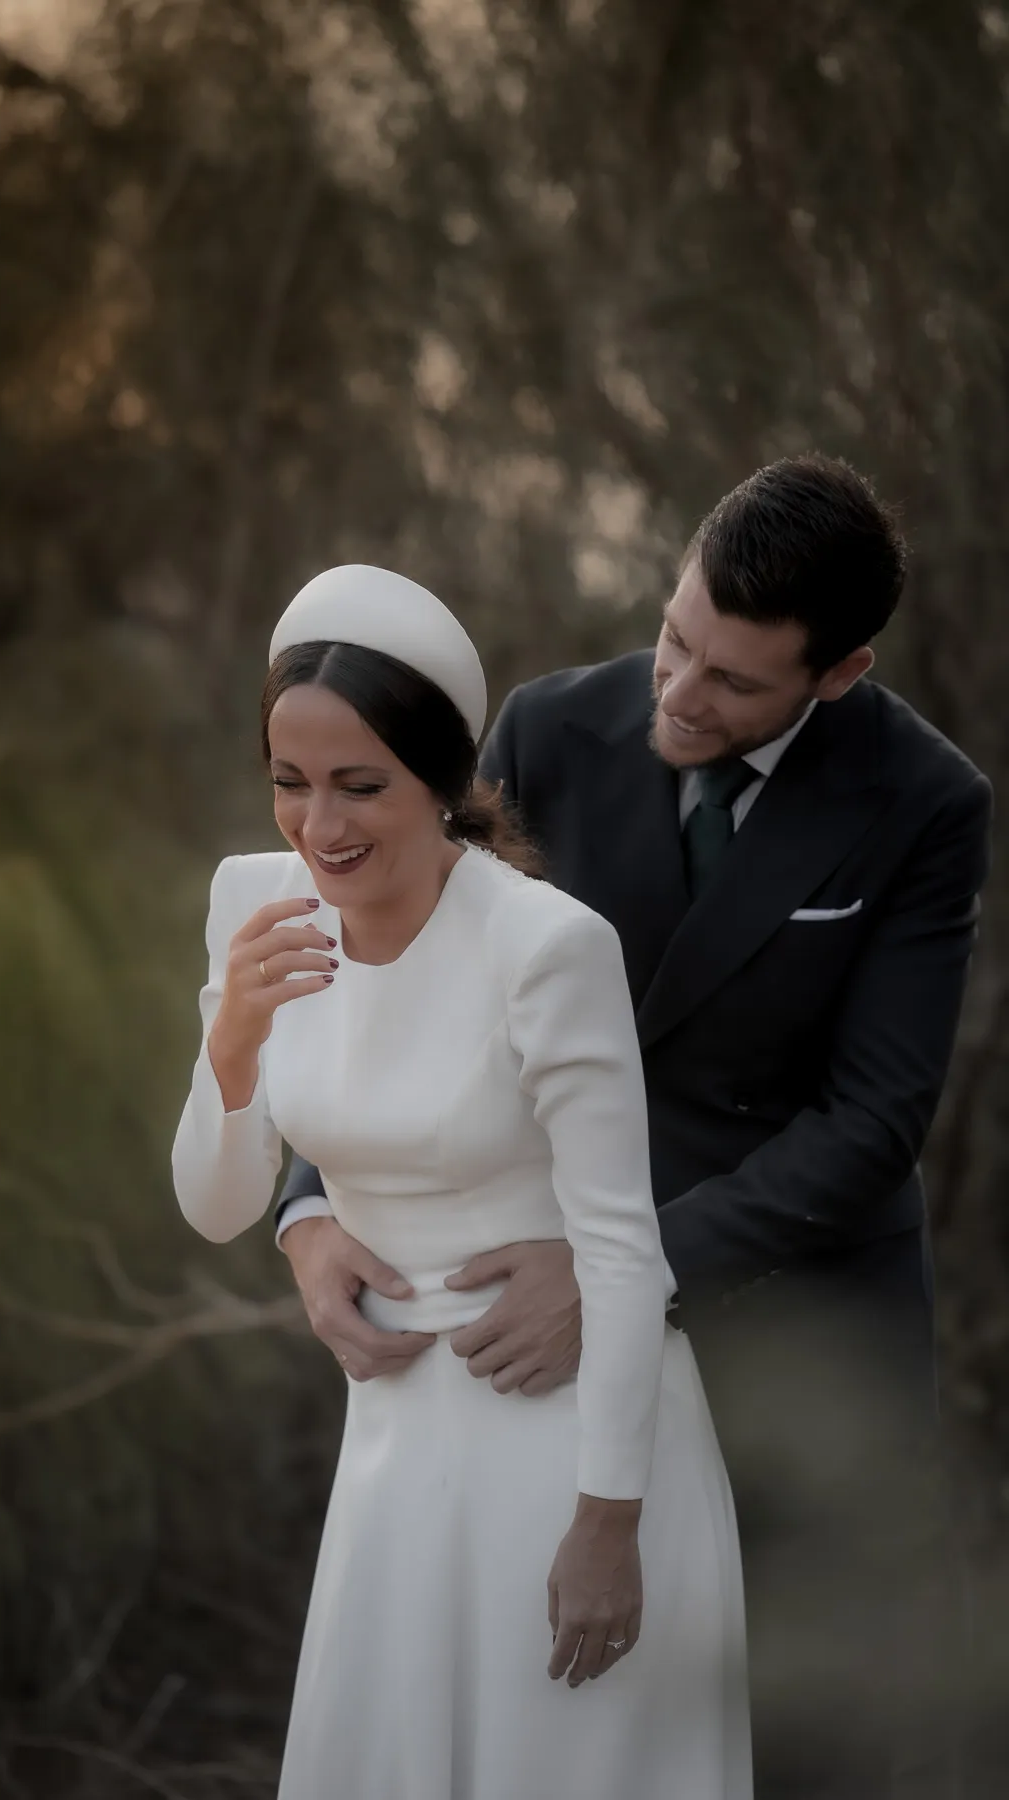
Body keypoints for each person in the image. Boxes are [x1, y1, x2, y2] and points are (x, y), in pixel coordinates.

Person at [277, 457, 993, 1799]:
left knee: (795, 1742)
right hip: (535, 1335)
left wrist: (620, 1278)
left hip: (794, 1325)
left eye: (731, 680)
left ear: (839, 673)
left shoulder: (925, 805)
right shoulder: (547, 731)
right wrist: (311, 1205)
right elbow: (393, 969)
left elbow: (871, 1123)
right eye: (675, 638)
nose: (677, 691)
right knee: (544, 1717)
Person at [172, 564, 751, 1800]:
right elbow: (221, 1205)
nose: (318, 825)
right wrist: (230, 1041)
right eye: (289, 783)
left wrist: (610, 1525)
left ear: (444, 780)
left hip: (569, 1449)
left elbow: (619, 1253)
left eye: (360, 786)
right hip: (394, 1449)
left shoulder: (546, 947)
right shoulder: (254, 905)